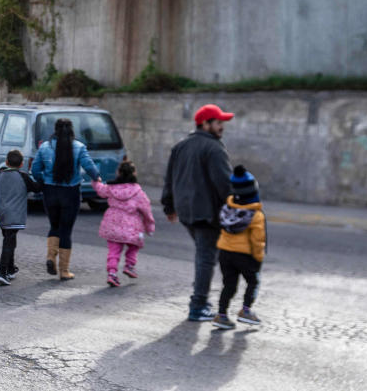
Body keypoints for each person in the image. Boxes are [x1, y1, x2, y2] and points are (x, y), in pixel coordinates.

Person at [161, 103, 234, 322]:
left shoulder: (181, 146)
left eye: (222, 122)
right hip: (207, 212)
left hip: (187, 212)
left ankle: (200, 294)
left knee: (206, 255)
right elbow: (224, 184)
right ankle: (198, 305)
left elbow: (169, 179)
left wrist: (169, 206)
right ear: (205, 123)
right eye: (218, 122)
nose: (222, 126)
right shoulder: (214, 148)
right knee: (206, 257)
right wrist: (239, 207)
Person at [31, 118, 101, 281]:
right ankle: (64, 271)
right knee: (66, 230)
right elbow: (90, 167)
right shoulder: (79, 147)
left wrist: (43, 181)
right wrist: (97, 177)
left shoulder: (45, 147)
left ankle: (50, 257)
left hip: (50, 191)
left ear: (54, 130)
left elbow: (35, 170)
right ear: (71, 130)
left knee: (54, 225)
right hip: (70, 193)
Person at [213, 165, 266, 330]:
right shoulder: (256, 215)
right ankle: (246, 310)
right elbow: (258, 240)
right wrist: (258, 258)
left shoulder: (227, 208)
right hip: (244, 255)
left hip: (224, 254)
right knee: (253, 281)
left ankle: (221, 315)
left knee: (229, 285)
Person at [0, 149, 41, 285]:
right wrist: (43, 177)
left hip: (0, 214)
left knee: (10, 239)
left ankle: (10, 268)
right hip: (15, 215)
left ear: (6, 162)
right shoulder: (23, 177)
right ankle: (2, 272)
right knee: (9, 241)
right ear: (21, 164)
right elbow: (36, 188)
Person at [92, 160, 155, 287]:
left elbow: (100, 190)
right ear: (134, 173)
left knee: (114, 251)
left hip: (112, 224)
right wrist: (149, 226)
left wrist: (95, 180)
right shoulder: (138, 192)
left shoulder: (111, 188)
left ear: (118, 173)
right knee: (135, 244)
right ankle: (130, 265)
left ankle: (112, 274)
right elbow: (146, 210)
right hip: (131, 226)